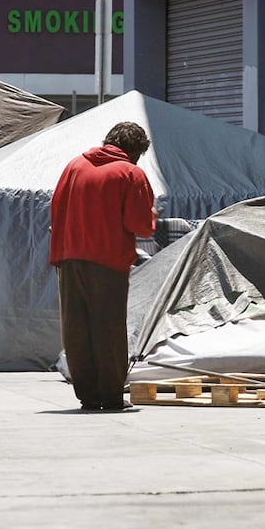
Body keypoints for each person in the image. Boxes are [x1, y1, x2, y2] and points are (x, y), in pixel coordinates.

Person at [49, 122, 156, 412]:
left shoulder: (74, 166)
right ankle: (110, 397)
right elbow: (140, 226)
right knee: (107, 328)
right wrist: (152, 214)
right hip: (108, 262)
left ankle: (87, 395)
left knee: (77, 328)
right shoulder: (130, 173)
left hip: (69, 258)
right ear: (135, 152)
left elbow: (55, 208)